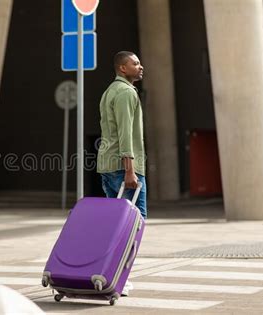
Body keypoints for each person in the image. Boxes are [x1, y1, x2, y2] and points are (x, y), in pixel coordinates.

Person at [96, 51, 146, 296]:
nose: (140, 66)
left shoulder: (109, 92)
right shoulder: (127, 93)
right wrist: (130, 170)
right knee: (133, 225)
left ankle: (110, 274)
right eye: (135, 63)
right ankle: (120, 278)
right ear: (122, 68)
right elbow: (126, 134)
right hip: (122, 168)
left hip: (107, 165)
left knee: (116, 225)